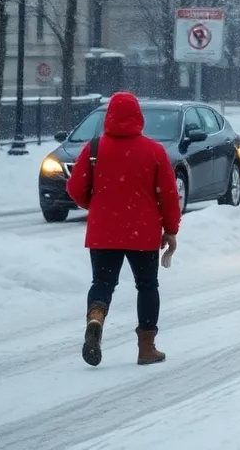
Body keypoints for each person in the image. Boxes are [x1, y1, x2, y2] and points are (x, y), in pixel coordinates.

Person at [66, 91, 181, 367]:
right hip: (143, 231)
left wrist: (97, 205)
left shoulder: (94, 149)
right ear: (138, 117)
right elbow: (168, 195)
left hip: (104, 231)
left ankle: (96, 318)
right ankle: (146, 348)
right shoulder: (154, 151)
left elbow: (75, 188)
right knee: (147, 285)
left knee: (102, 283)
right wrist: (171, 229)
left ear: (109, 117)